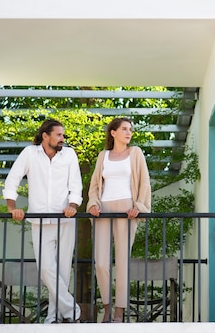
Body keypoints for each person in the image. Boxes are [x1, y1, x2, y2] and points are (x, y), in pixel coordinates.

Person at [3, 119, 83, 323]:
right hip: (39, 220)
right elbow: (12, 180)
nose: (62, 139)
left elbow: (76, 185)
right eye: (59, 135)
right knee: (46, 269)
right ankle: (72, 311)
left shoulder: (69, 154)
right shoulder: (30, 153)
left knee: (63, 271)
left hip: (65, 219)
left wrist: (73, 205)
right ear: (45, 136)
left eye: (63, 135)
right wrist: (12, 208)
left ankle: (53, 318)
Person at [86, 117, 151, 323]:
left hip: (126, 209)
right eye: (124, 129)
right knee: (101, 263)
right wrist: (93, 204)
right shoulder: (103, 156)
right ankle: (106, 307)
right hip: (103, 210)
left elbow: (144, 182)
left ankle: (119, 311)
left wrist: (138, 207)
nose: (128, 132)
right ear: (113, 132)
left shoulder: (135, 153)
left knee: (123, 261)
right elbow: (95, 184)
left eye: (130, 129)